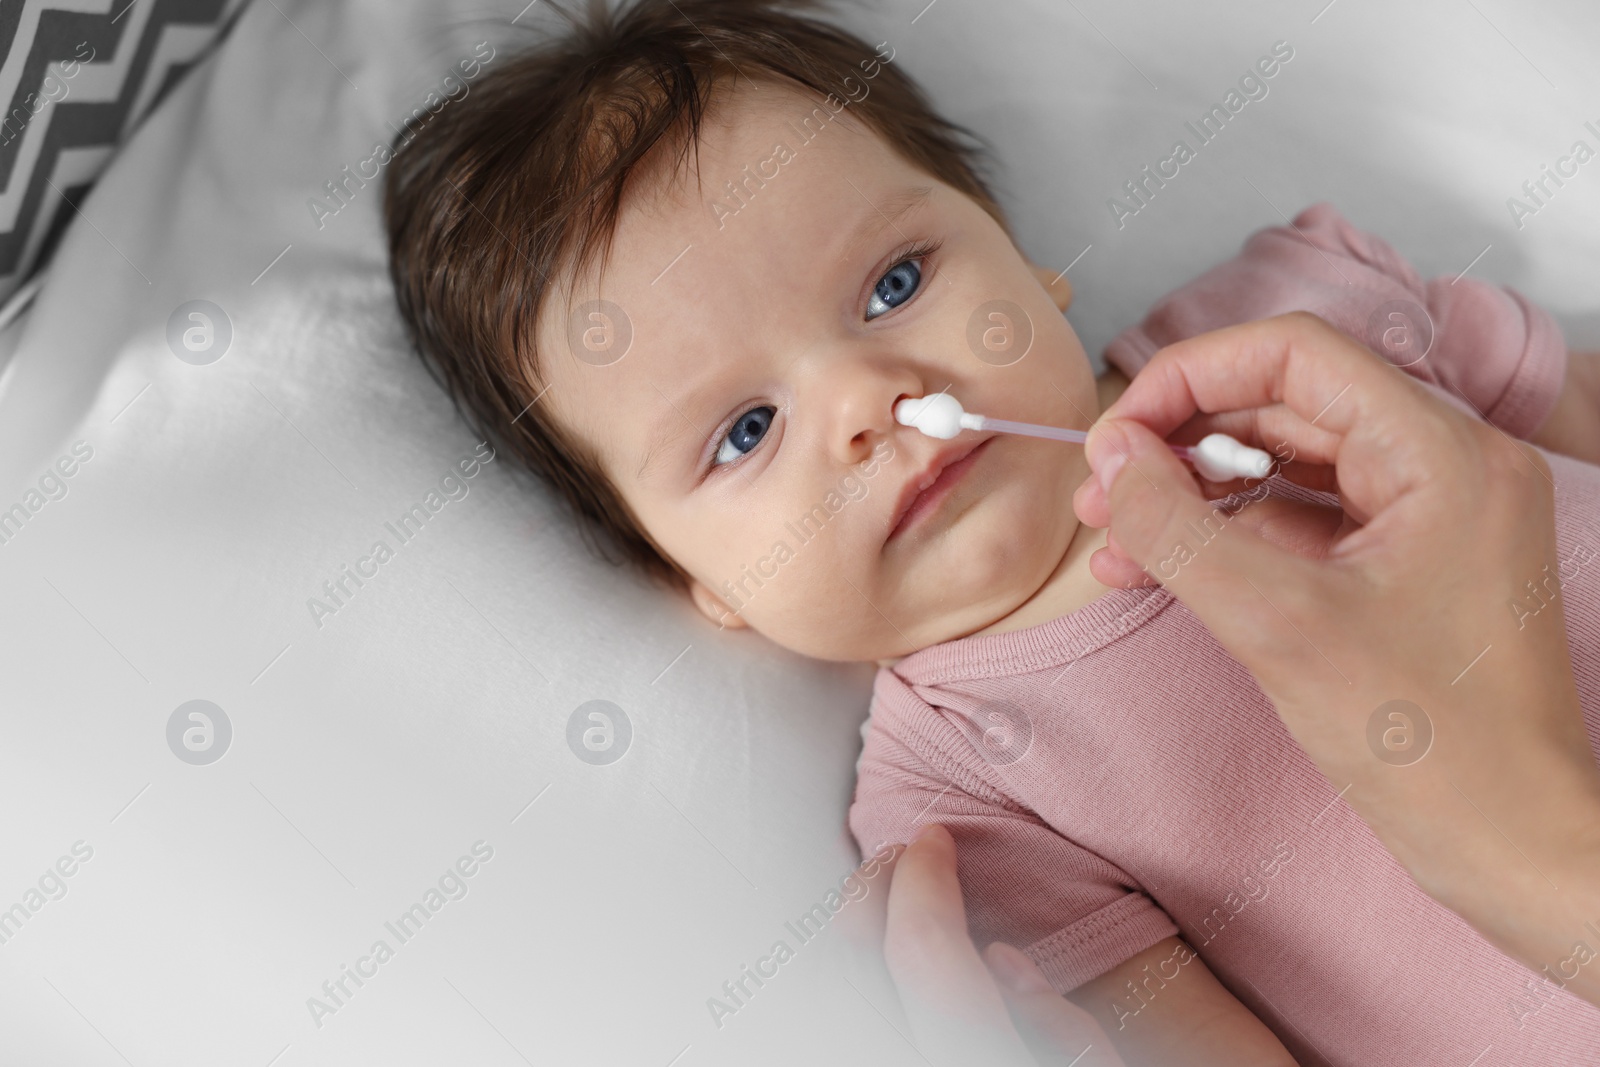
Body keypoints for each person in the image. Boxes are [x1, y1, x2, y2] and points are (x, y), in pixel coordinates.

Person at [877, 312, 1600, 1064]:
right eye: (749, 431)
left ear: (1038, 278)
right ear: (735, 598)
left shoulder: (1283, 336)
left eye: (894, 284)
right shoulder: (948, 790)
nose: (873, 397)